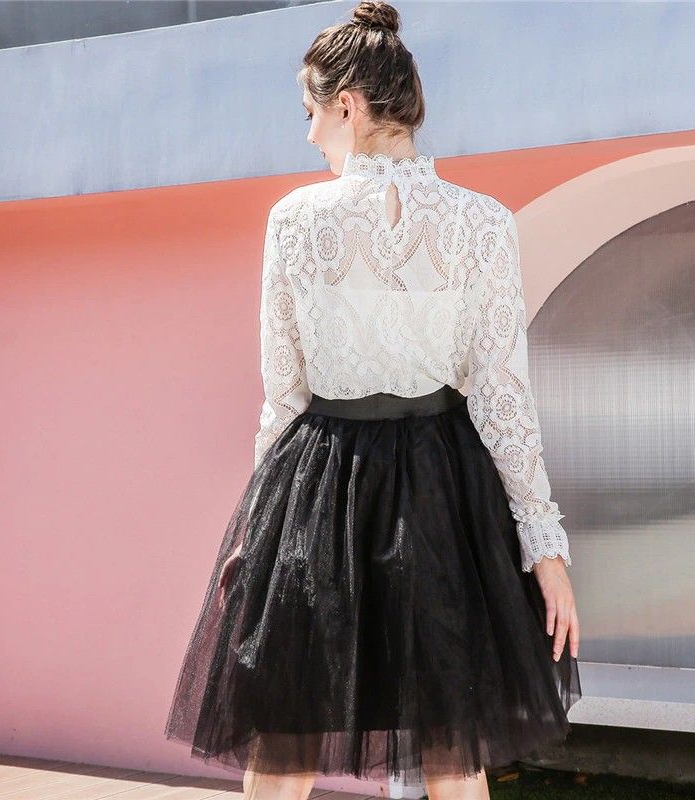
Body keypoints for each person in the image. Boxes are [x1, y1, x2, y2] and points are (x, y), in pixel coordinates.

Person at [164, 2, 582, 798]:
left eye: (310, 112)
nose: (309, 134)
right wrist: (544, 549)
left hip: (320, 488)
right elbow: (502, 397)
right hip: (443, 489)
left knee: (284, 740)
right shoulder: (484, 224)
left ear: (348, 107)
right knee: (453, 749)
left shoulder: (294, 221)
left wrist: (255, 534)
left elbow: (284, 396)